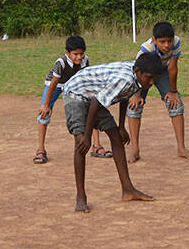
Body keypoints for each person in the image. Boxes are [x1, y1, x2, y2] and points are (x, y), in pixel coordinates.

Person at [61, 52, 166, 212]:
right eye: (149, 77)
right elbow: (96, 102)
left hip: (94, 95)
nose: (151, 82)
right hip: (76, 93)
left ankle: (128, 190)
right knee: (81, 142)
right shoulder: (124, 79)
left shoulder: (138, 76)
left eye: (155, 79)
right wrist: (88, 136)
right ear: (137, 71)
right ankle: (81, 197)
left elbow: (124, 96)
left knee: (116, 137)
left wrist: (121, 126)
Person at [125, 22, 189, 162]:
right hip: (144, 74)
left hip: (162, 71)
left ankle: (181, 148)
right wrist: (136, 94)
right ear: (154, 40)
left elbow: (172, 67)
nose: (167, 45)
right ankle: (135, 149)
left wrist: (173, 91)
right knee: (134, 106)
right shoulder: (146, 49)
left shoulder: (176, 43)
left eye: (169, 41)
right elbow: (137, 72)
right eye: (162, 41)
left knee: (176, 104)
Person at [33, 35, 88, 164]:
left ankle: (96, 146)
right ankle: (41, 149)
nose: (79, 57)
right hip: (55, 85)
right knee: (44, 113)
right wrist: (46, 104)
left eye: (81, 54)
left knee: (90, 108)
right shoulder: (61, 62)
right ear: (67, 53)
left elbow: (85, 78)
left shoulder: (85, 60)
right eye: (75, 54)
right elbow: (54, 83)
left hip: (73, 84)